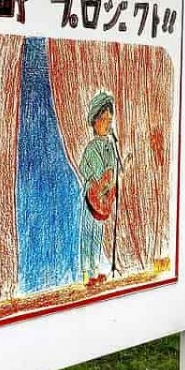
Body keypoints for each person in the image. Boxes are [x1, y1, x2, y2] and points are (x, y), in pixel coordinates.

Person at [78, 91, 119, 286]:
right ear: (94, 122)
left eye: (109, 119)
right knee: (88, 233)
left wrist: (111, 182)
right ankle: (87, 273)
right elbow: (88, 169)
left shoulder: (110, 146)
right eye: (103, 119)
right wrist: (99, 181)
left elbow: (112, 170)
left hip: (103, 200)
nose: (107, 123)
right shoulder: (92, 147)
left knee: (98, 234)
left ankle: (97, 269)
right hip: (91, 198)